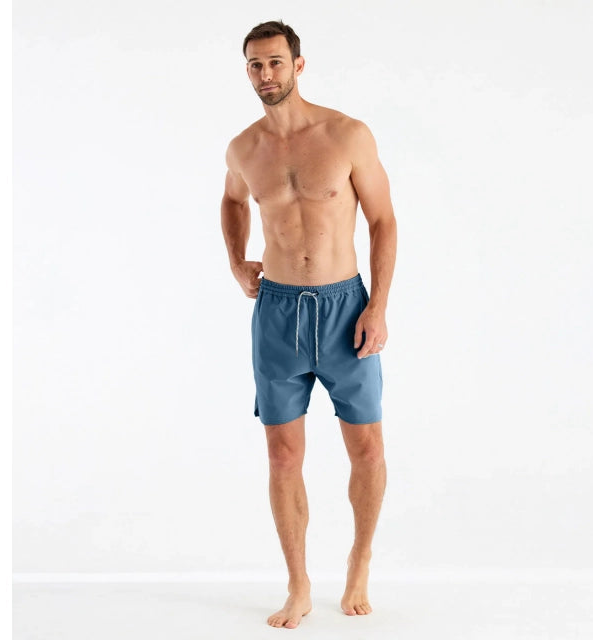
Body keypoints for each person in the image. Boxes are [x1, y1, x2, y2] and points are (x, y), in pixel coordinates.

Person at [220, 20, 397, 629]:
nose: (265, 74)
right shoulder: (244, 148)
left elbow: (384, 220)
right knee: (282, 455)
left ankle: (359, 560)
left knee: (366, 446)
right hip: (277, 313)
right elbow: (232, 200)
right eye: (254, 64)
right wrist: (236, 260)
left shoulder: (346, 134)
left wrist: (378, 306)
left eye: (275, 62)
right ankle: (297, 583)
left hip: (346, 308)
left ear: (298, 65)